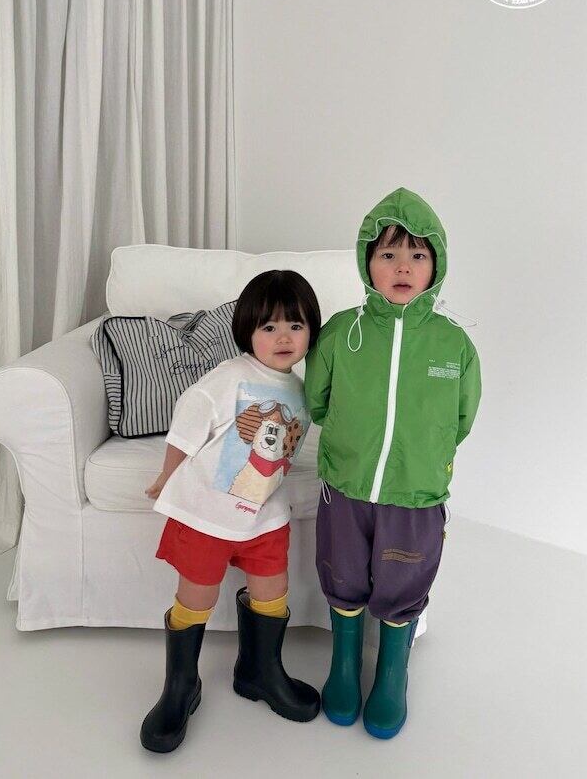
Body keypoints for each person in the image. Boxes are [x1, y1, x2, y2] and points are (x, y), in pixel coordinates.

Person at [305, 187, 481, 739]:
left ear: (436, 265)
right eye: (388, 254)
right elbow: (316, 400)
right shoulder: (342, 333)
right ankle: (344, 664)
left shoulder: (453, 345)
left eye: (417, 255)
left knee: (404, 579)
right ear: (367, 262)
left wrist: (423, 456)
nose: (403, 267)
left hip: (416, 494)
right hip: (346, 486)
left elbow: (462, 418)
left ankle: (391, 673)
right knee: (343, 570)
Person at [140, 270, 322, 753]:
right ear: (247, 331)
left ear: (311, 332)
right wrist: (166, 476)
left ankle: (260, 671)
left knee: (272, 590)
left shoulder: (302, 390)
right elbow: (187, 425)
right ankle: (181, 687)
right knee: (196, 597)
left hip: (264, 516)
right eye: (269, 327)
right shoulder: (229, 378)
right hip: (207, 515)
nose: (283, 338)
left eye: (296, 326)